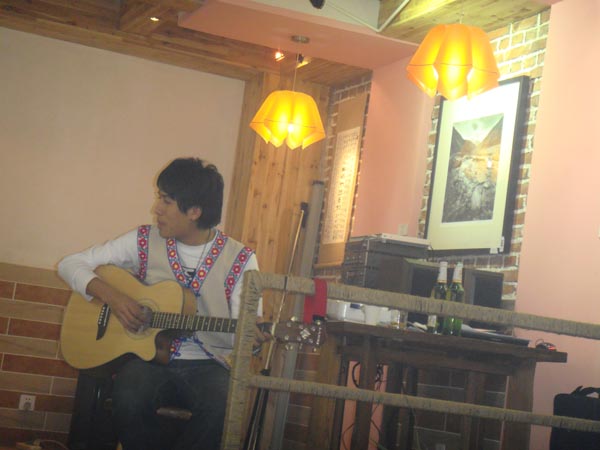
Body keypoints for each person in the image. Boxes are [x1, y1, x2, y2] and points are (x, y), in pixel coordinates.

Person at [58, 157, 264, 450]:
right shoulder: (143, 239)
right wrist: (114, 298)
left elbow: (245, 334)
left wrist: (251, 341)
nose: (156, 208)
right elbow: (69, 264)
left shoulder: (241, 259)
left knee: (223, 404)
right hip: (149, 361)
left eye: (166, 201)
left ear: (194, 211)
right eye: (159, 198)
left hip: (209, 365)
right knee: (128, 393)